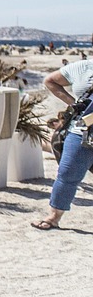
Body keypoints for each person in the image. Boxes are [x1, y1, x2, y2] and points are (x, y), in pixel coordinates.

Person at [32, 59, 93, 230]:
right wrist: (73, 103)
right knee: (67, 173)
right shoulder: (83, 67)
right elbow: (50, 81)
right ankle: (53, 217)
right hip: (82, 129)